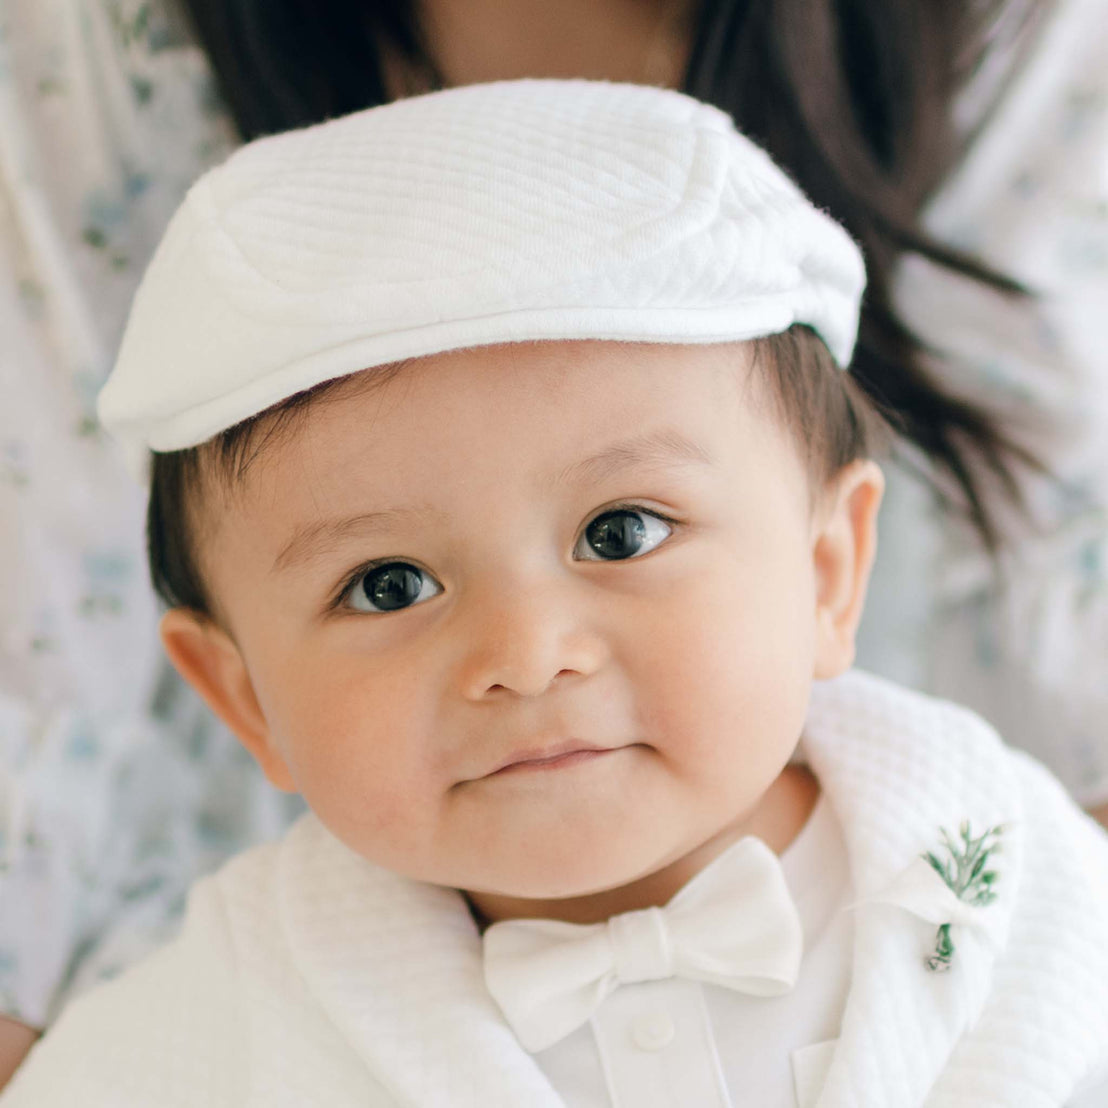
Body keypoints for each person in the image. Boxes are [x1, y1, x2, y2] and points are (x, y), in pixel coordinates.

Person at [3, 79, 1106, 1108]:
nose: (526, 652)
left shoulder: (1045, 912)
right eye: (388, 586)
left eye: (619, 533)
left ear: (826, 571)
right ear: (243, 698)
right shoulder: (198, 1039)